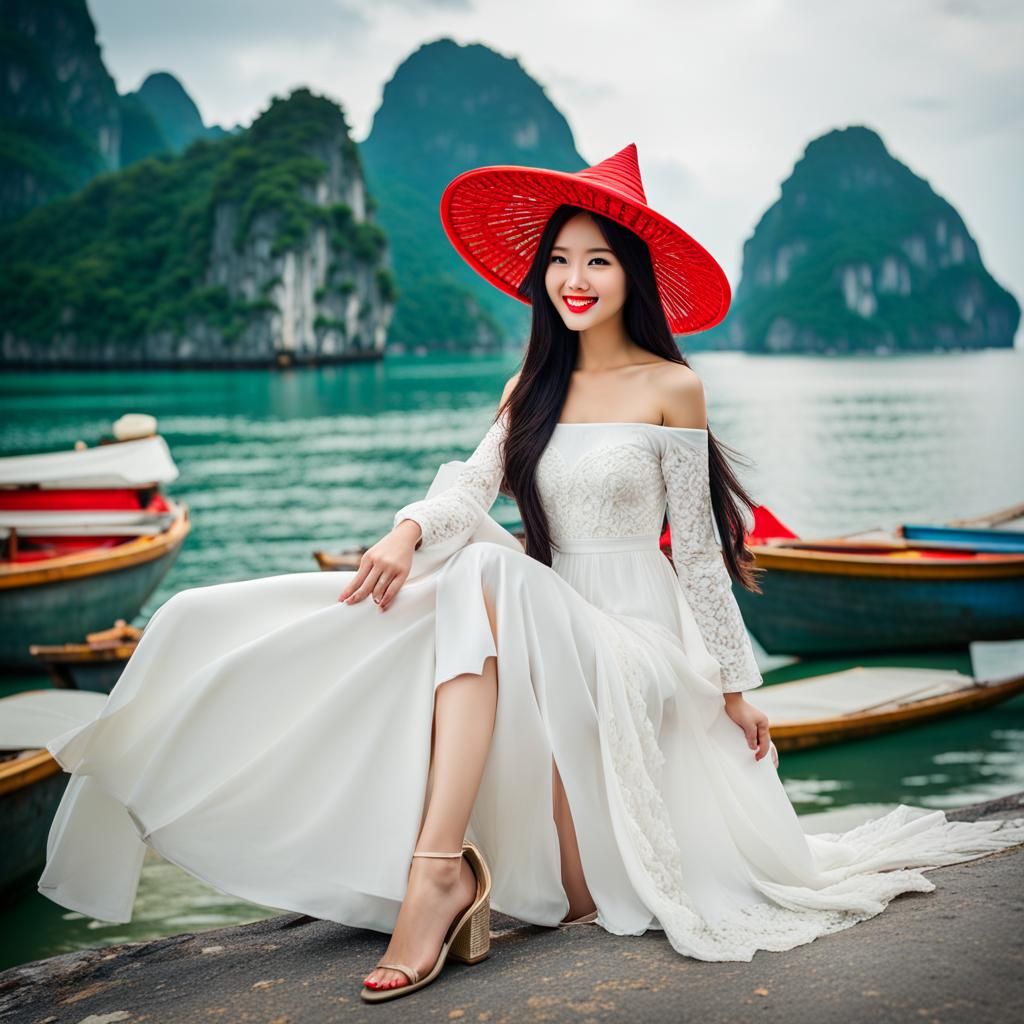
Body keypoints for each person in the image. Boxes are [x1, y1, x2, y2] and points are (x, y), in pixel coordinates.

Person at [37, 144, 1024, 1005]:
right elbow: (469, 486)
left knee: (485, 578)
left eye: (596, 259)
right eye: (559, 259)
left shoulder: (672, 387)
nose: (574, 278)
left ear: (632, 272)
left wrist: (733, 686)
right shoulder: (534, 385)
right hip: (539, 631)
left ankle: (439, 874)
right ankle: (437, 864)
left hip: (635, 648)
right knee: (458, 569)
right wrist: (403, 531)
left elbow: (699, 553)